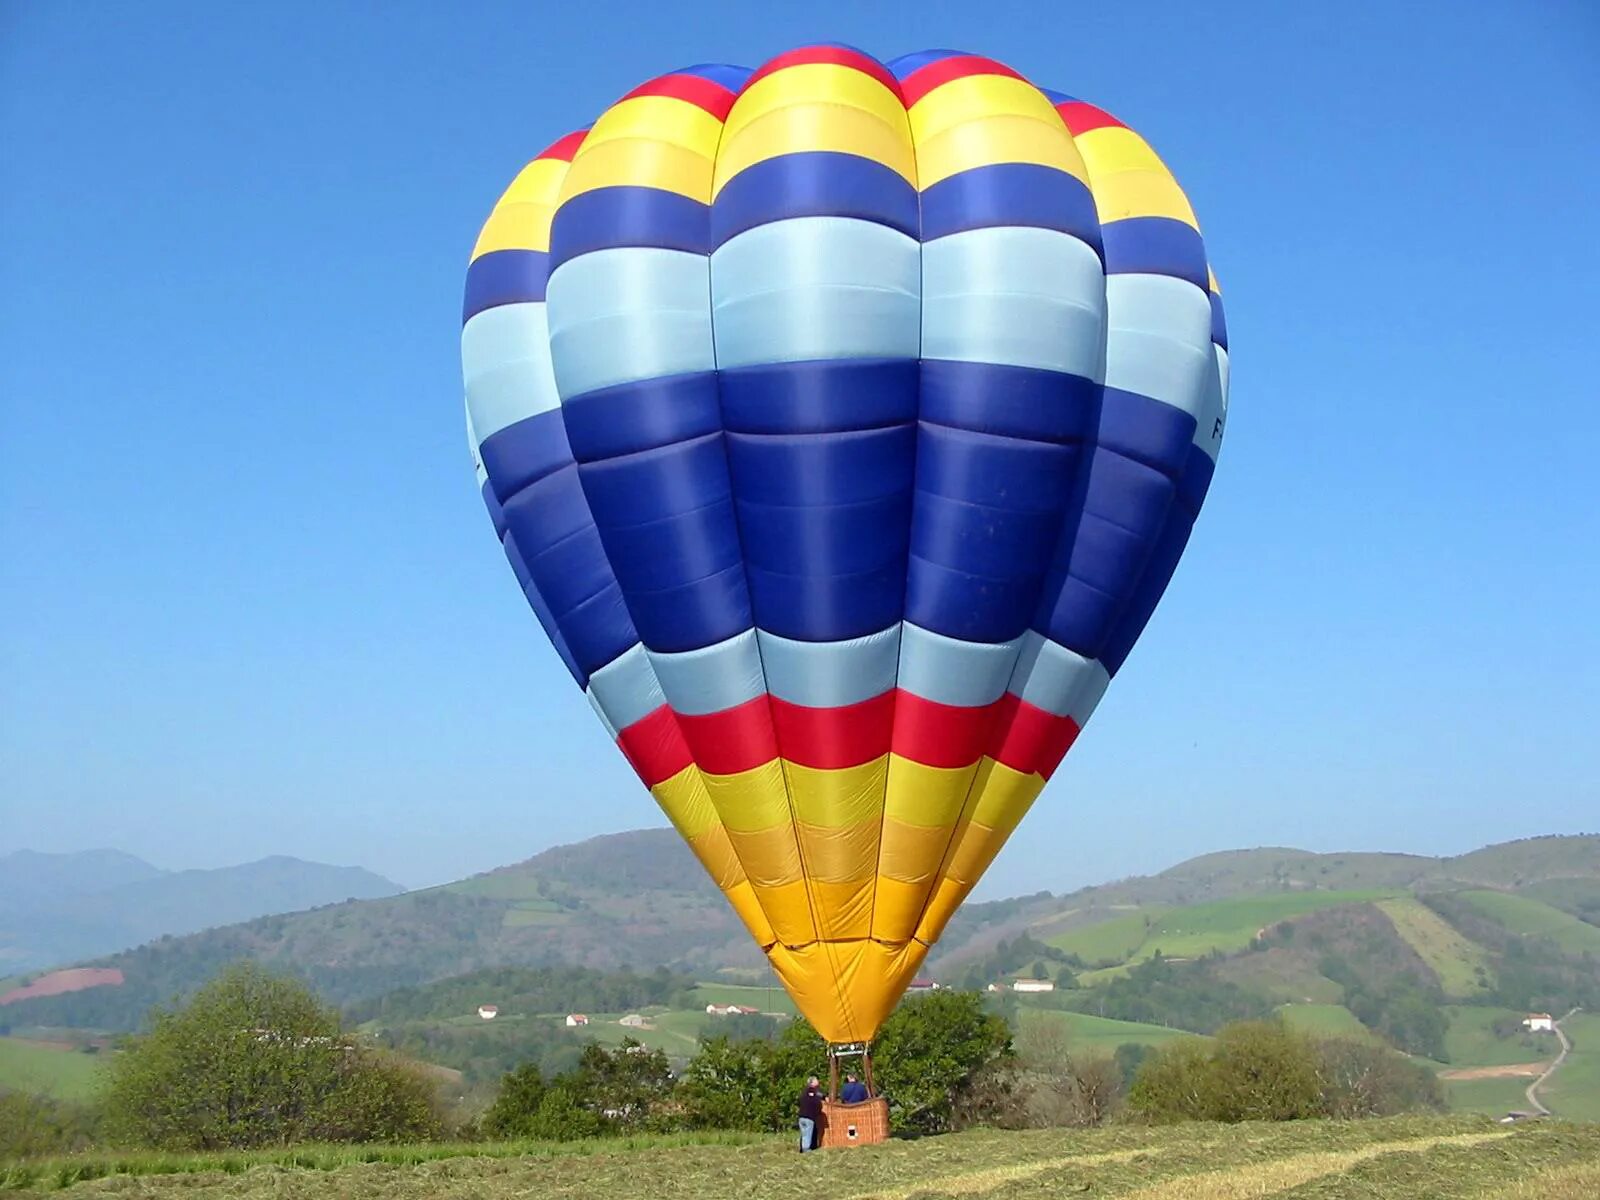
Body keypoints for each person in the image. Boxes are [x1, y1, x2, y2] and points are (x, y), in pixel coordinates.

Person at [797, 1075, 824, 1151]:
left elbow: (799, 1101)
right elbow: (819, 1101)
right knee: (808, 1134)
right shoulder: (815, 1093)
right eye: (816, 1080)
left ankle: (802, 1149)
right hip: (809, 1117)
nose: (818, 1081)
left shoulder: (804, 1092)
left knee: (804, 1134)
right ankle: (806, 1150)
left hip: (801, 1117)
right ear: (812, 1083)